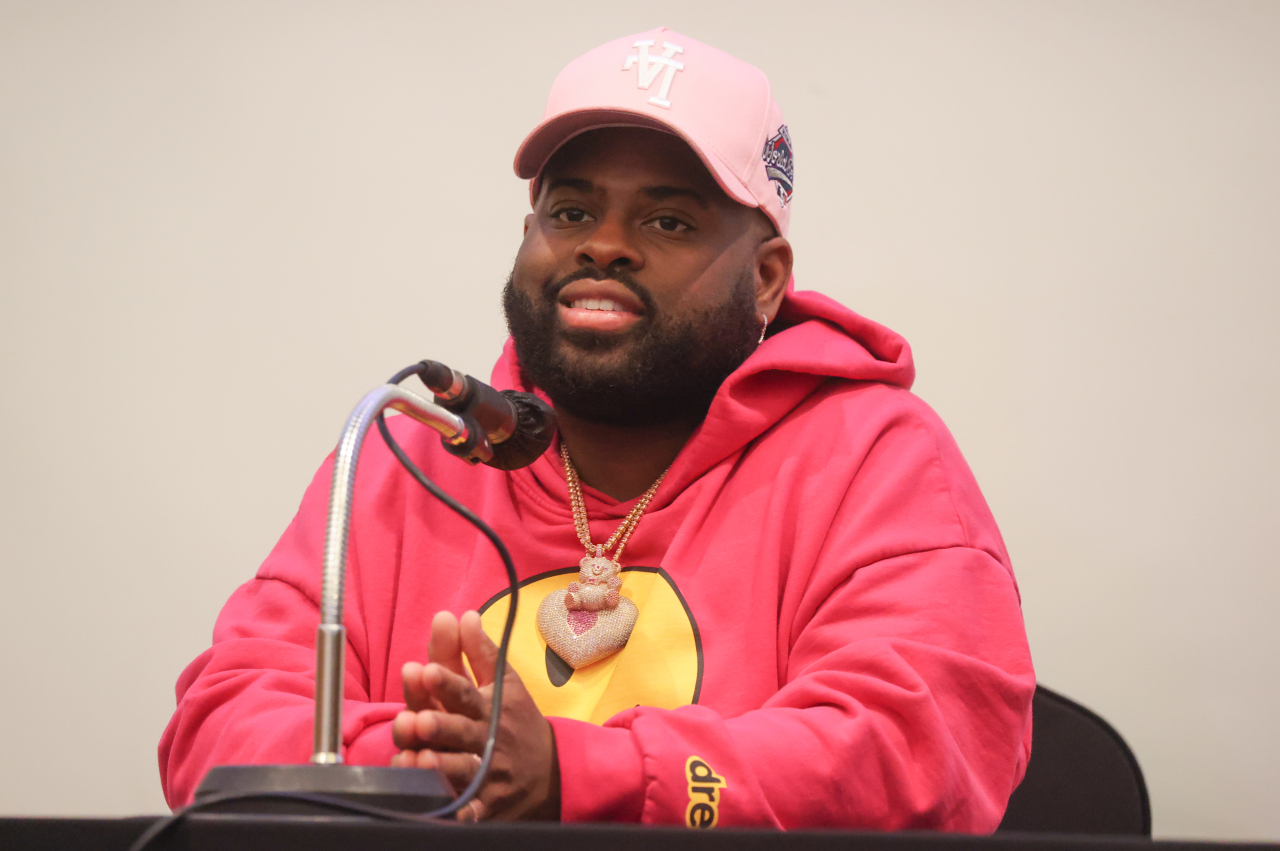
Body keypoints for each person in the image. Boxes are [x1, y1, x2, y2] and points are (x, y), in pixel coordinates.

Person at [159, 27, 1035, 830]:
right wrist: (438, 765)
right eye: (572, 212)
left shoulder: (877, 457)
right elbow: (220, 721)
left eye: (668, 220)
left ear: (767, 279)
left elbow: (918, 756)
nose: (604, 246)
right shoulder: (413, 453)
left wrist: (581, 774)